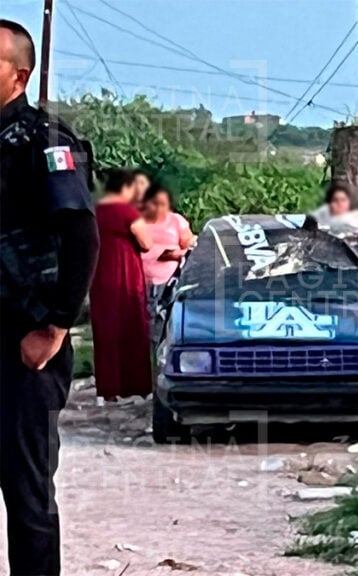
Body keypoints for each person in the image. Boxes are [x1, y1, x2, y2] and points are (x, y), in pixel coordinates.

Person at [0, 19, 99, 576]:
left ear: (20, 72)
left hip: (25, 339)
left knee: (26, 489)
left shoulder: (45, 141)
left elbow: (82, 236)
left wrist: (54, 327)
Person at [91, 169, 154, 402]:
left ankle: (107, 389)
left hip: (100, 276)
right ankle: (136, 387)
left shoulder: (95, 211)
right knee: (133, 329)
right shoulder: (127, 211)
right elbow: (146, 243)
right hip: (125, 276)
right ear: (126, 187)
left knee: (106, 331)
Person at [141, 183, 193, 341]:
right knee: (142, 323)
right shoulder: (138, 220)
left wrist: (175, 254)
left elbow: (191, 246)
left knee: (164, 320)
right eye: (154, 203)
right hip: (140, 281)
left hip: (169, 281)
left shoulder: (176, 221)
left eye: (162, 204)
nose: (158, 208)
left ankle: (161, 352)